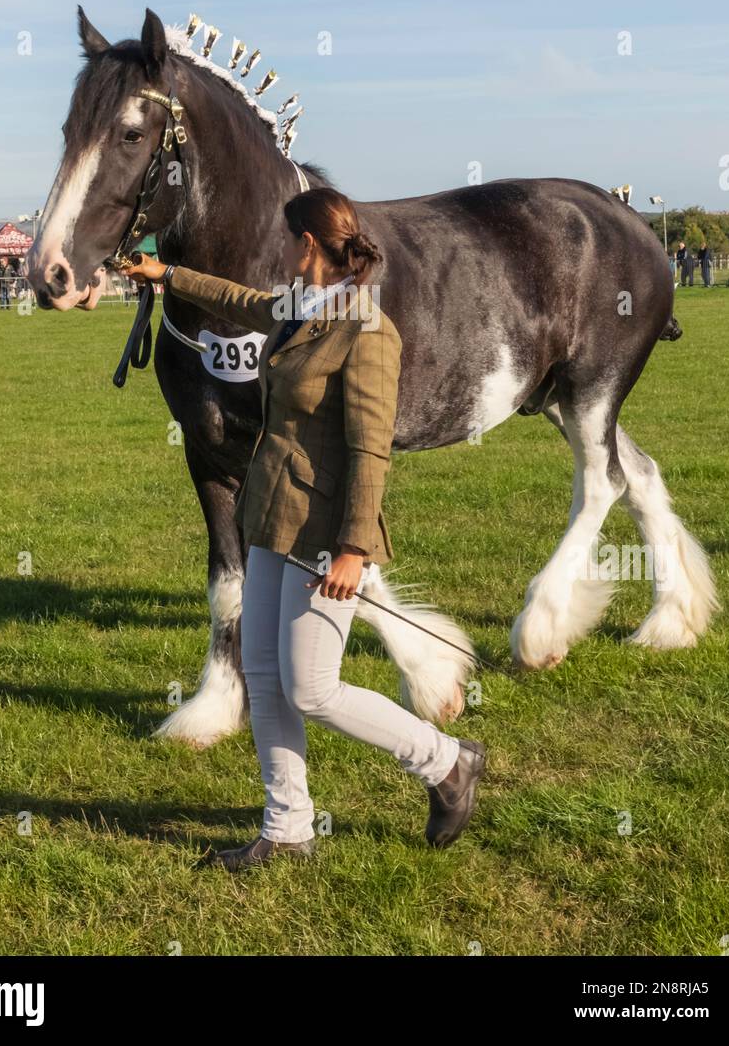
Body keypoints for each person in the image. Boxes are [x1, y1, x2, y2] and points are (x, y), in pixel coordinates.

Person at [126, 186, 485, 871]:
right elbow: (237, 301)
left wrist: (354, 548)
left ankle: (445, 762)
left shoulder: (369, 332)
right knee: (264, 675)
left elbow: (369, 447)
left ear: (311, 245)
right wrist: (165, 275)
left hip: (326, 534)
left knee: (313, 688)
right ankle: (287, 826)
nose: (282, 251)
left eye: (289, 240)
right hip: (270, 514)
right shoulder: (297, 307)